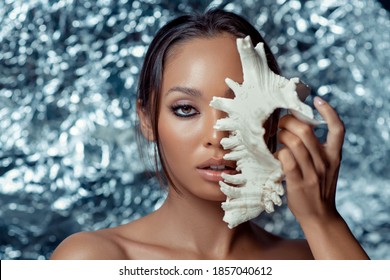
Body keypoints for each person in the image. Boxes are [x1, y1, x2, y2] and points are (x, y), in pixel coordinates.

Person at [50, 9, 369, 260]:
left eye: (241, 108)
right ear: (147, 119)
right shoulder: (93, 260)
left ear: (272, 122)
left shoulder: (314, 260)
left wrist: (323, 221)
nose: (217, 136)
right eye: (186, 109)